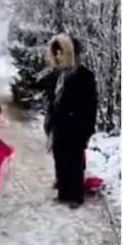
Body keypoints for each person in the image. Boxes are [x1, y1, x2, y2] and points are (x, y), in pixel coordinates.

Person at [38, 33, 98, 208]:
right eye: (55, 53)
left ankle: (75, 194)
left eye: (61, 52)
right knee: (60, 158)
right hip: (58, 125)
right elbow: (49, 96)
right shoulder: (57, 75)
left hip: (76, 126)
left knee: (74, 160)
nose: (58, 57)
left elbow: (90, 104)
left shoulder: (84, 75)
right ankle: (64, 191)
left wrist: (87, 129)